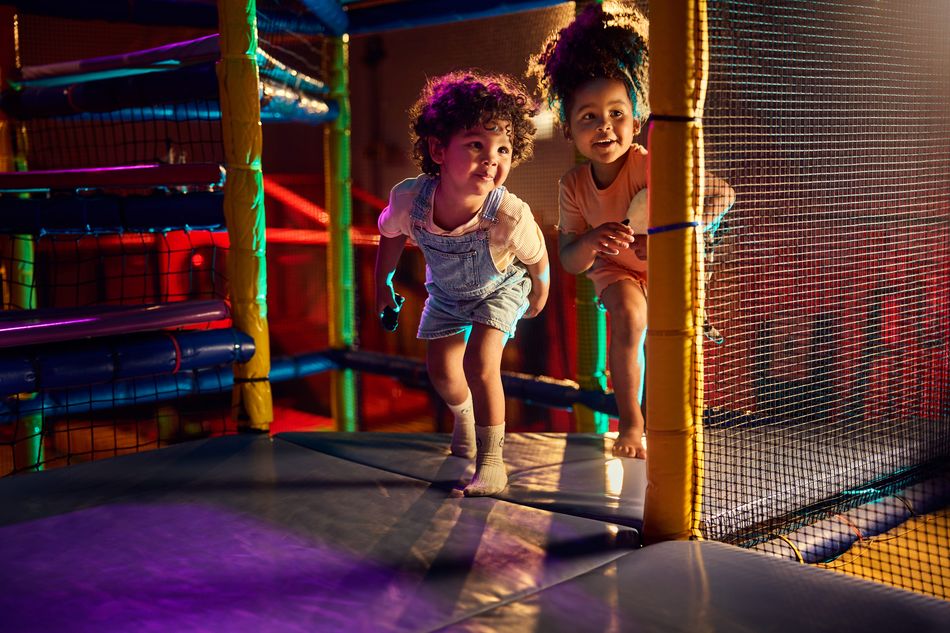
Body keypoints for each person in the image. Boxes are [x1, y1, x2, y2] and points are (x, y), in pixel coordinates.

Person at [529, 3, 734, 459]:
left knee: (672, 335)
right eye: (588, 117)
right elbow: (569, 259)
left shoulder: (649, 164)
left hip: (666, 267)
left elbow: (724, 195)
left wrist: (682, 231)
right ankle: (632, 423)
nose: (604, 126)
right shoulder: (573, 185)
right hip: (615, 272)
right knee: (628, 316)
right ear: (567, 128)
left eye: (616, 113)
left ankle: (675, 422)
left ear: (636, 121)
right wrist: (590, 240)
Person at [375, 70, 550, 496]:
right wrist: (384, 282)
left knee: (479, 364)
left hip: (500, 288)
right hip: (447, 294)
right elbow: (391, 235)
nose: (492, 158)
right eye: (476, 144)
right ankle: (466, 420)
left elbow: (538, 259)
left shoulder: (508, 214)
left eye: (504, 148)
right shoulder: (409, 200)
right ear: (437, 148)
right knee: (441, 371)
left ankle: (492, 463)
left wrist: (540, 294)